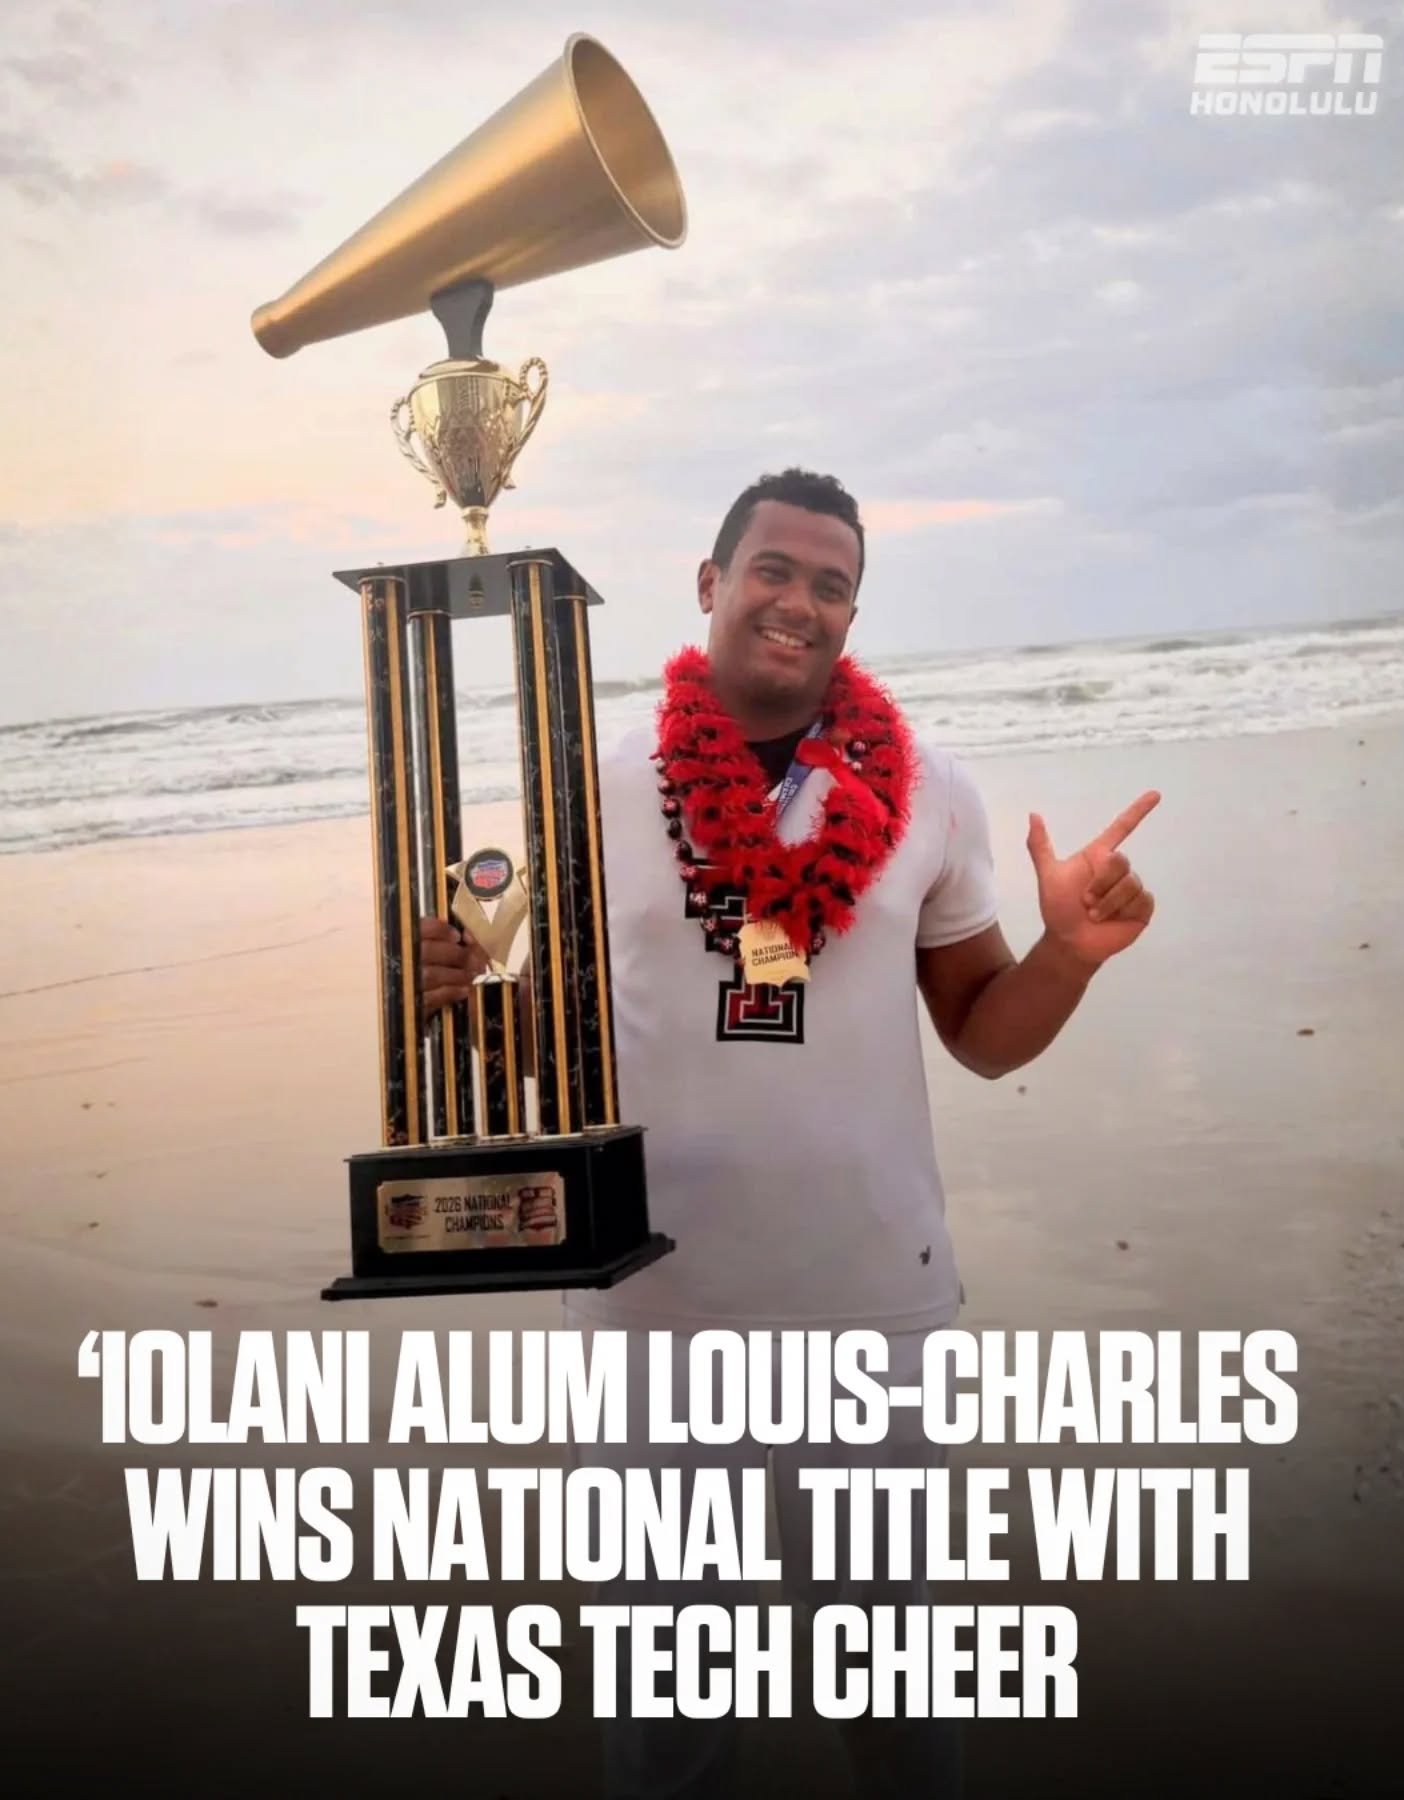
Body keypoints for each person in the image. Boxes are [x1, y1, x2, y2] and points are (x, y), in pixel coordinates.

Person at [419, 468, 1157, 1798]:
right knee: (671, 1707)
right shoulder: (586, 780)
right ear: (709, 583)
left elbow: (983, 1032)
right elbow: (520, 1031)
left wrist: (1072, 954)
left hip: (872, 1303)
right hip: (651, 1312)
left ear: (853, 612)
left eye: (832, 584)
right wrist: (454, 997)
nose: (799, 602)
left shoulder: (931, 789)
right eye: (773, 569)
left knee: (896, 1695)